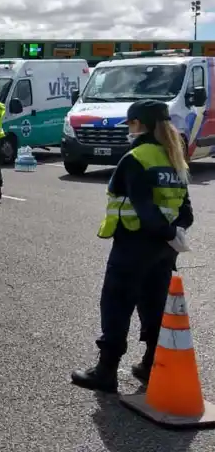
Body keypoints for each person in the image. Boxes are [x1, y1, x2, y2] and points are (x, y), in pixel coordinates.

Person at [71, 101, 193, 393]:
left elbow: (143, 206)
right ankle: (151, 365)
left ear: (139, 124)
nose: (128, 129)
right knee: (154, 305)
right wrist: (171, 235)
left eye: (129, 124)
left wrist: (159, 230)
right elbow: (187, 212)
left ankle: (106, 371)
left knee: (116, 303)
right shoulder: (173, 157)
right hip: (165, 249)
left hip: (134, 243)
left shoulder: (136, 157)